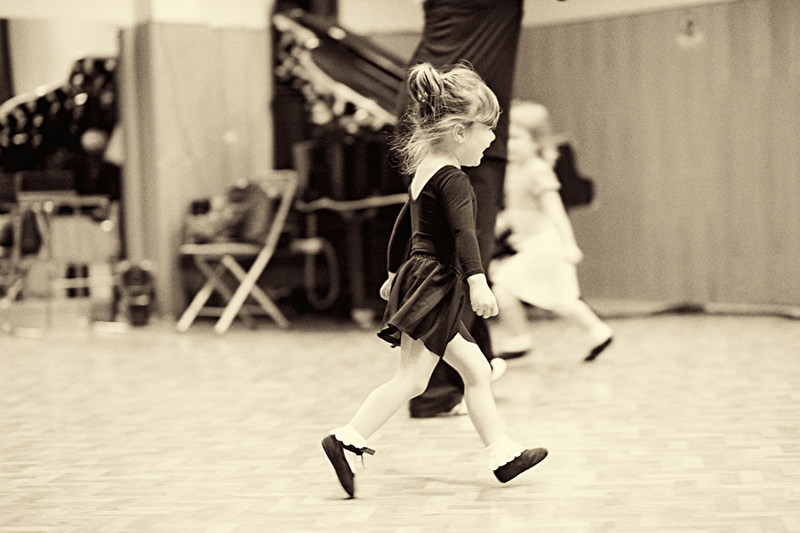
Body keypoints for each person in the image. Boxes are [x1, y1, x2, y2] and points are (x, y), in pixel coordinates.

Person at [321, 63, 547, 499]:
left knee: (476, 370)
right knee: (413, 380)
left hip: (421, 278)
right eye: (488, 129)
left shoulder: (427, 169)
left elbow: (403, 226)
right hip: (436, 283)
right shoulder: (454, 179)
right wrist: (478, 282)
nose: (493, 139)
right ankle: (347, 439)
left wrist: (393, 274)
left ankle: (503, 455)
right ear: (460, 131)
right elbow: (464, 234)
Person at [396, 0, 524, 418]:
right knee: (459, 263)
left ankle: (475, 368)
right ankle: (436, 392)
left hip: (436, 116)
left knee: (441, 251)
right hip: (464, 129)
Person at [490, 101, 613, 362]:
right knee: (562, 298)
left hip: (545, 244)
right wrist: (503, 224)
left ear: (536, 142)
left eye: (516, 138)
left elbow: (555, 211)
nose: (509, 145)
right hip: (530, 243)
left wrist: (569, 244)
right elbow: (519, 209)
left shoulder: (537, 171)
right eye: (506, 138)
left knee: (502, 284)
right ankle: (598, 332)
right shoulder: (514, 170)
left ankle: (518, 338)